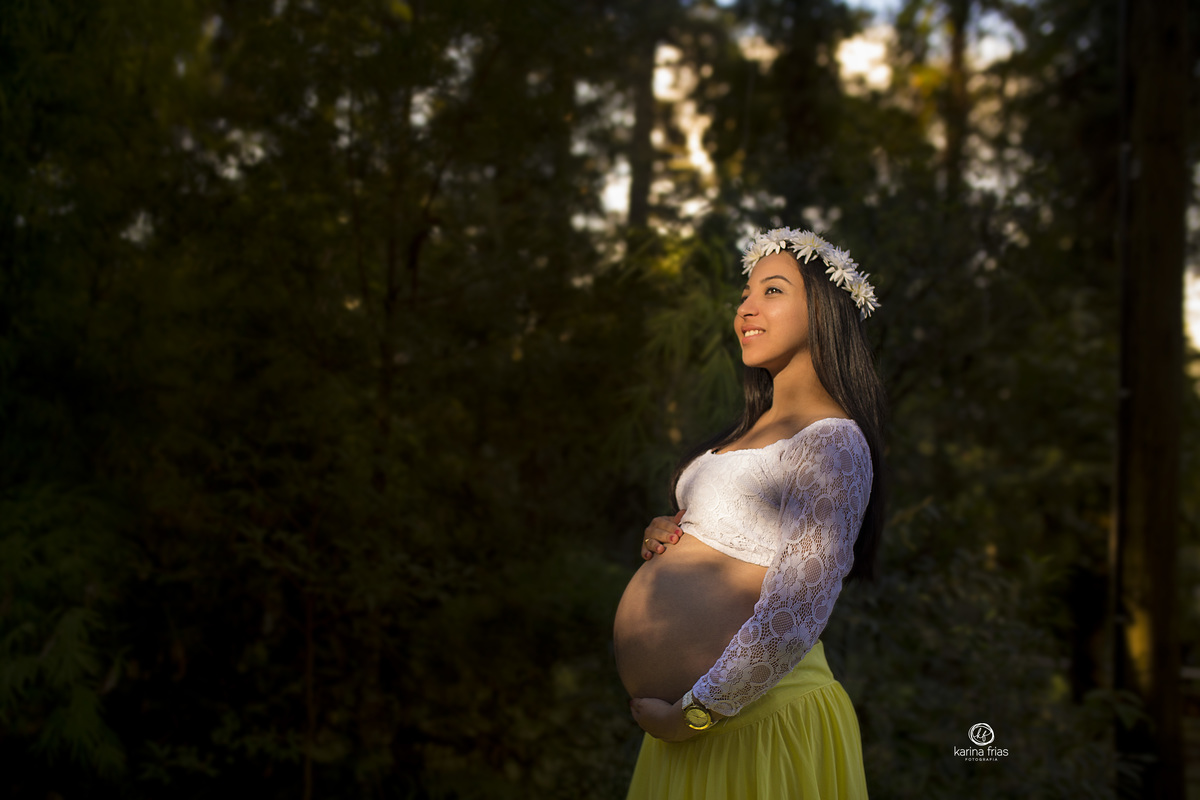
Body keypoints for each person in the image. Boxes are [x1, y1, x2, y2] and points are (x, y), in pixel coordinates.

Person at [613, 227, 886, 799]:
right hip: (686, 729)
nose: (745, 307)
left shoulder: (833, 442)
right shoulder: (745, 430)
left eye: (773, 290)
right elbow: (725, 538)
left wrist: (697, 713)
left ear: (825, 312)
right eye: (745, 294)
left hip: (752, 723)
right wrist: (668, 533)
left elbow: (797, 610)